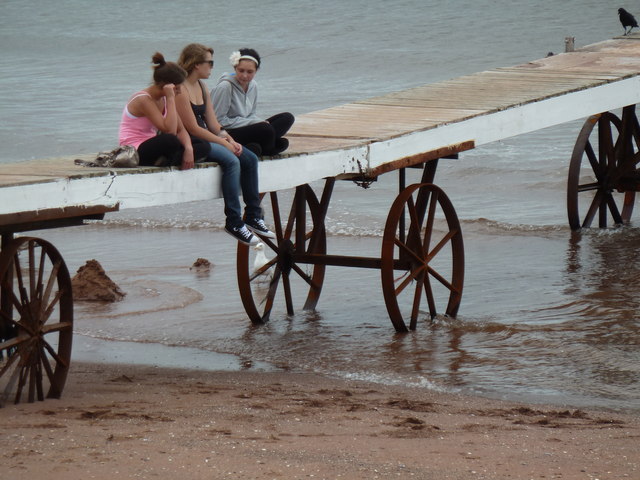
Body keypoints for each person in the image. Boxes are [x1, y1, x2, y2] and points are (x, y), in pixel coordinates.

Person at [176, 43, 275, 246]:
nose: (212, 67)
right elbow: (193, 128)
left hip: (206, 135)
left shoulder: (202, 87)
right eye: (209, 62)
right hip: (190, 140)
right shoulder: (181, 89)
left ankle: (254, 216)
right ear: (196, 65)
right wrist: (223, 143)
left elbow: (213, 123)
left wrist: (230, 139)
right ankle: (234, 222)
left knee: (249, 158)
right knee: (232, 161)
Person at [119, 52, 209, 169]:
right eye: (177, 88)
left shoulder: (164, 99)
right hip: (134, 150)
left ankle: (167, 160)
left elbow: (180, 130)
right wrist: (171, 98)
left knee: (203, 145)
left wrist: (188, 149)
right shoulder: (143, 99)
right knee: (170, 141)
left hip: (153, 144)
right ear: (167, 86)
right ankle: (169, 160)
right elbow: (170, 131)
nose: (180, 91)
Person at [211, 48, 294, 157]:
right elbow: (218, 121)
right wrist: (254, 123)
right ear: (235, 68)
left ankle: (257, 146)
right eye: (241, 70)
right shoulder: (225, 87)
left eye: (250, 72)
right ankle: (269, 148)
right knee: (266, 129)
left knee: (287, 118)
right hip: (228, 133)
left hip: (247, 128)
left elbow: (251, 114)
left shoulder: (253, 85)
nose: (245, 75)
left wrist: (257, 121)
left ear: (256, 70)